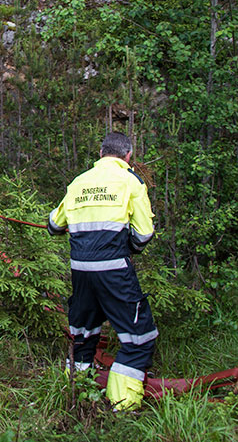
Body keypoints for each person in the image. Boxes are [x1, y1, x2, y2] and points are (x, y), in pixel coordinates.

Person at [48, 131, 157, 411]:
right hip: (114, 271)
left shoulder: (78, 183)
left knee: (83, 333)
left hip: (80, 271)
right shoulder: (130, 181)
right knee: (139, 338)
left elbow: (54, 225)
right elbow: (144, 233)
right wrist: (127, 247)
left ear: (100, 153)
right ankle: (122, 407)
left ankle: (74, 396)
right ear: (128, 156)